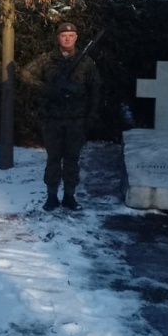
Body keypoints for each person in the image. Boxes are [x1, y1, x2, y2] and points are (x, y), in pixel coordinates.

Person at [20, 22, 100, 212]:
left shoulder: (86, 62)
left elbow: (95, 89)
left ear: (76, 38)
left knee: (72, 159)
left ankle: (70, 196)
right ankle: (51, 196)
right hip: (52, 119)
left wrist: (91, 115)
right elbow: (25, 74)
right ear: (58, 38)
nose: (67, 39)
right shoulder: (46, 60)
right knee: (53, 159)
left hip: (76, 119)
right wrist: (47, 88)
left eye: (71, 36)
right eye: (63, 35)